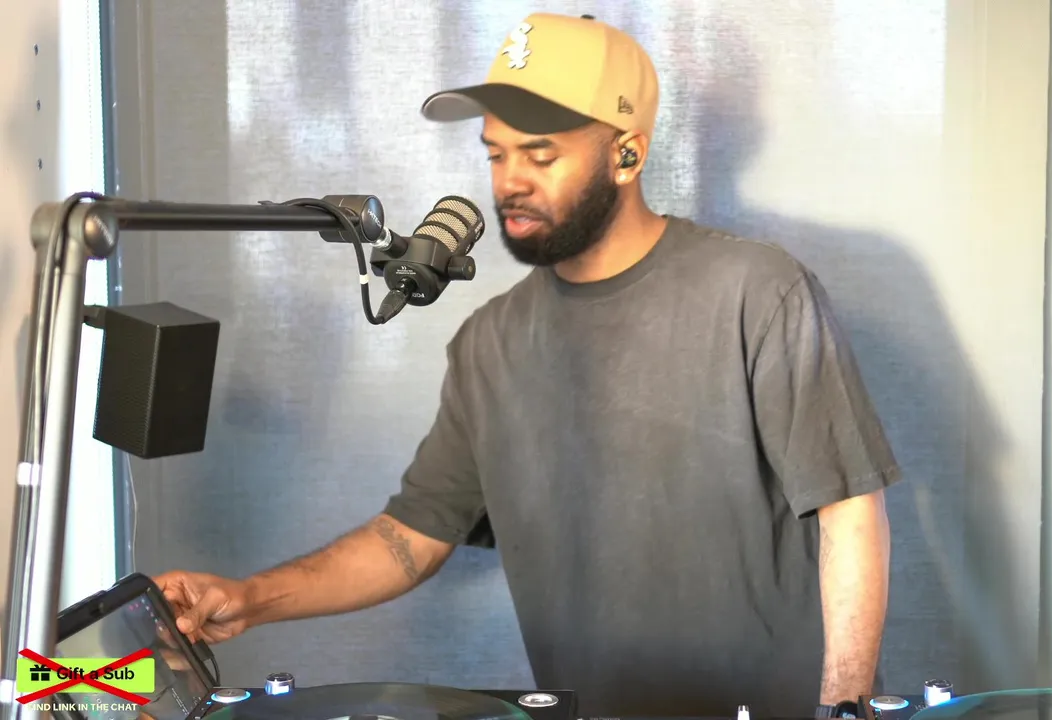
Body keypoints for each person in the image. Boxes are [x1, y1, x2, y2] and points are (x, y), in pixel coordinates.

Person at [155, 12, 899, 717]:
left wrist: (843, 707)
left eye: (540, 155)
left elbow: (849, 511)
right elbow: (409, 541)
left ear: (627, 154)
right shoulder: (490, 342)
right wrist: (249, 598)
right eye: (497, 153)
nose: (510, 180)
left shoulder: (758, 292)